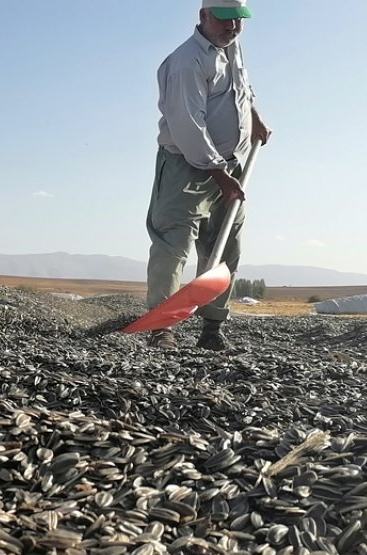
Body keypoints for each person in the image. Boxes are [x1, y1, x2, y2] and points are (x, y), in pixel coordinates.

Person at [144, 0, 271, 351]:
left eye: (238, 21)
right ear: (203, 16)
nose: (232, 27)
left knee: (226, 245)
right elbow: (188, 127)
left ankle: (212, 329)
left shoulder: (232, 46)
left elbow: (240, 88)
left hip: (230, 165)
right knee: (174, 244)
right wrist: (219, 175)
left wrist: (253, 115)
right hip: (188, 165)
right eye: (224, 20)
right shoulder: (186, 62)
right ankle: (161, 329)